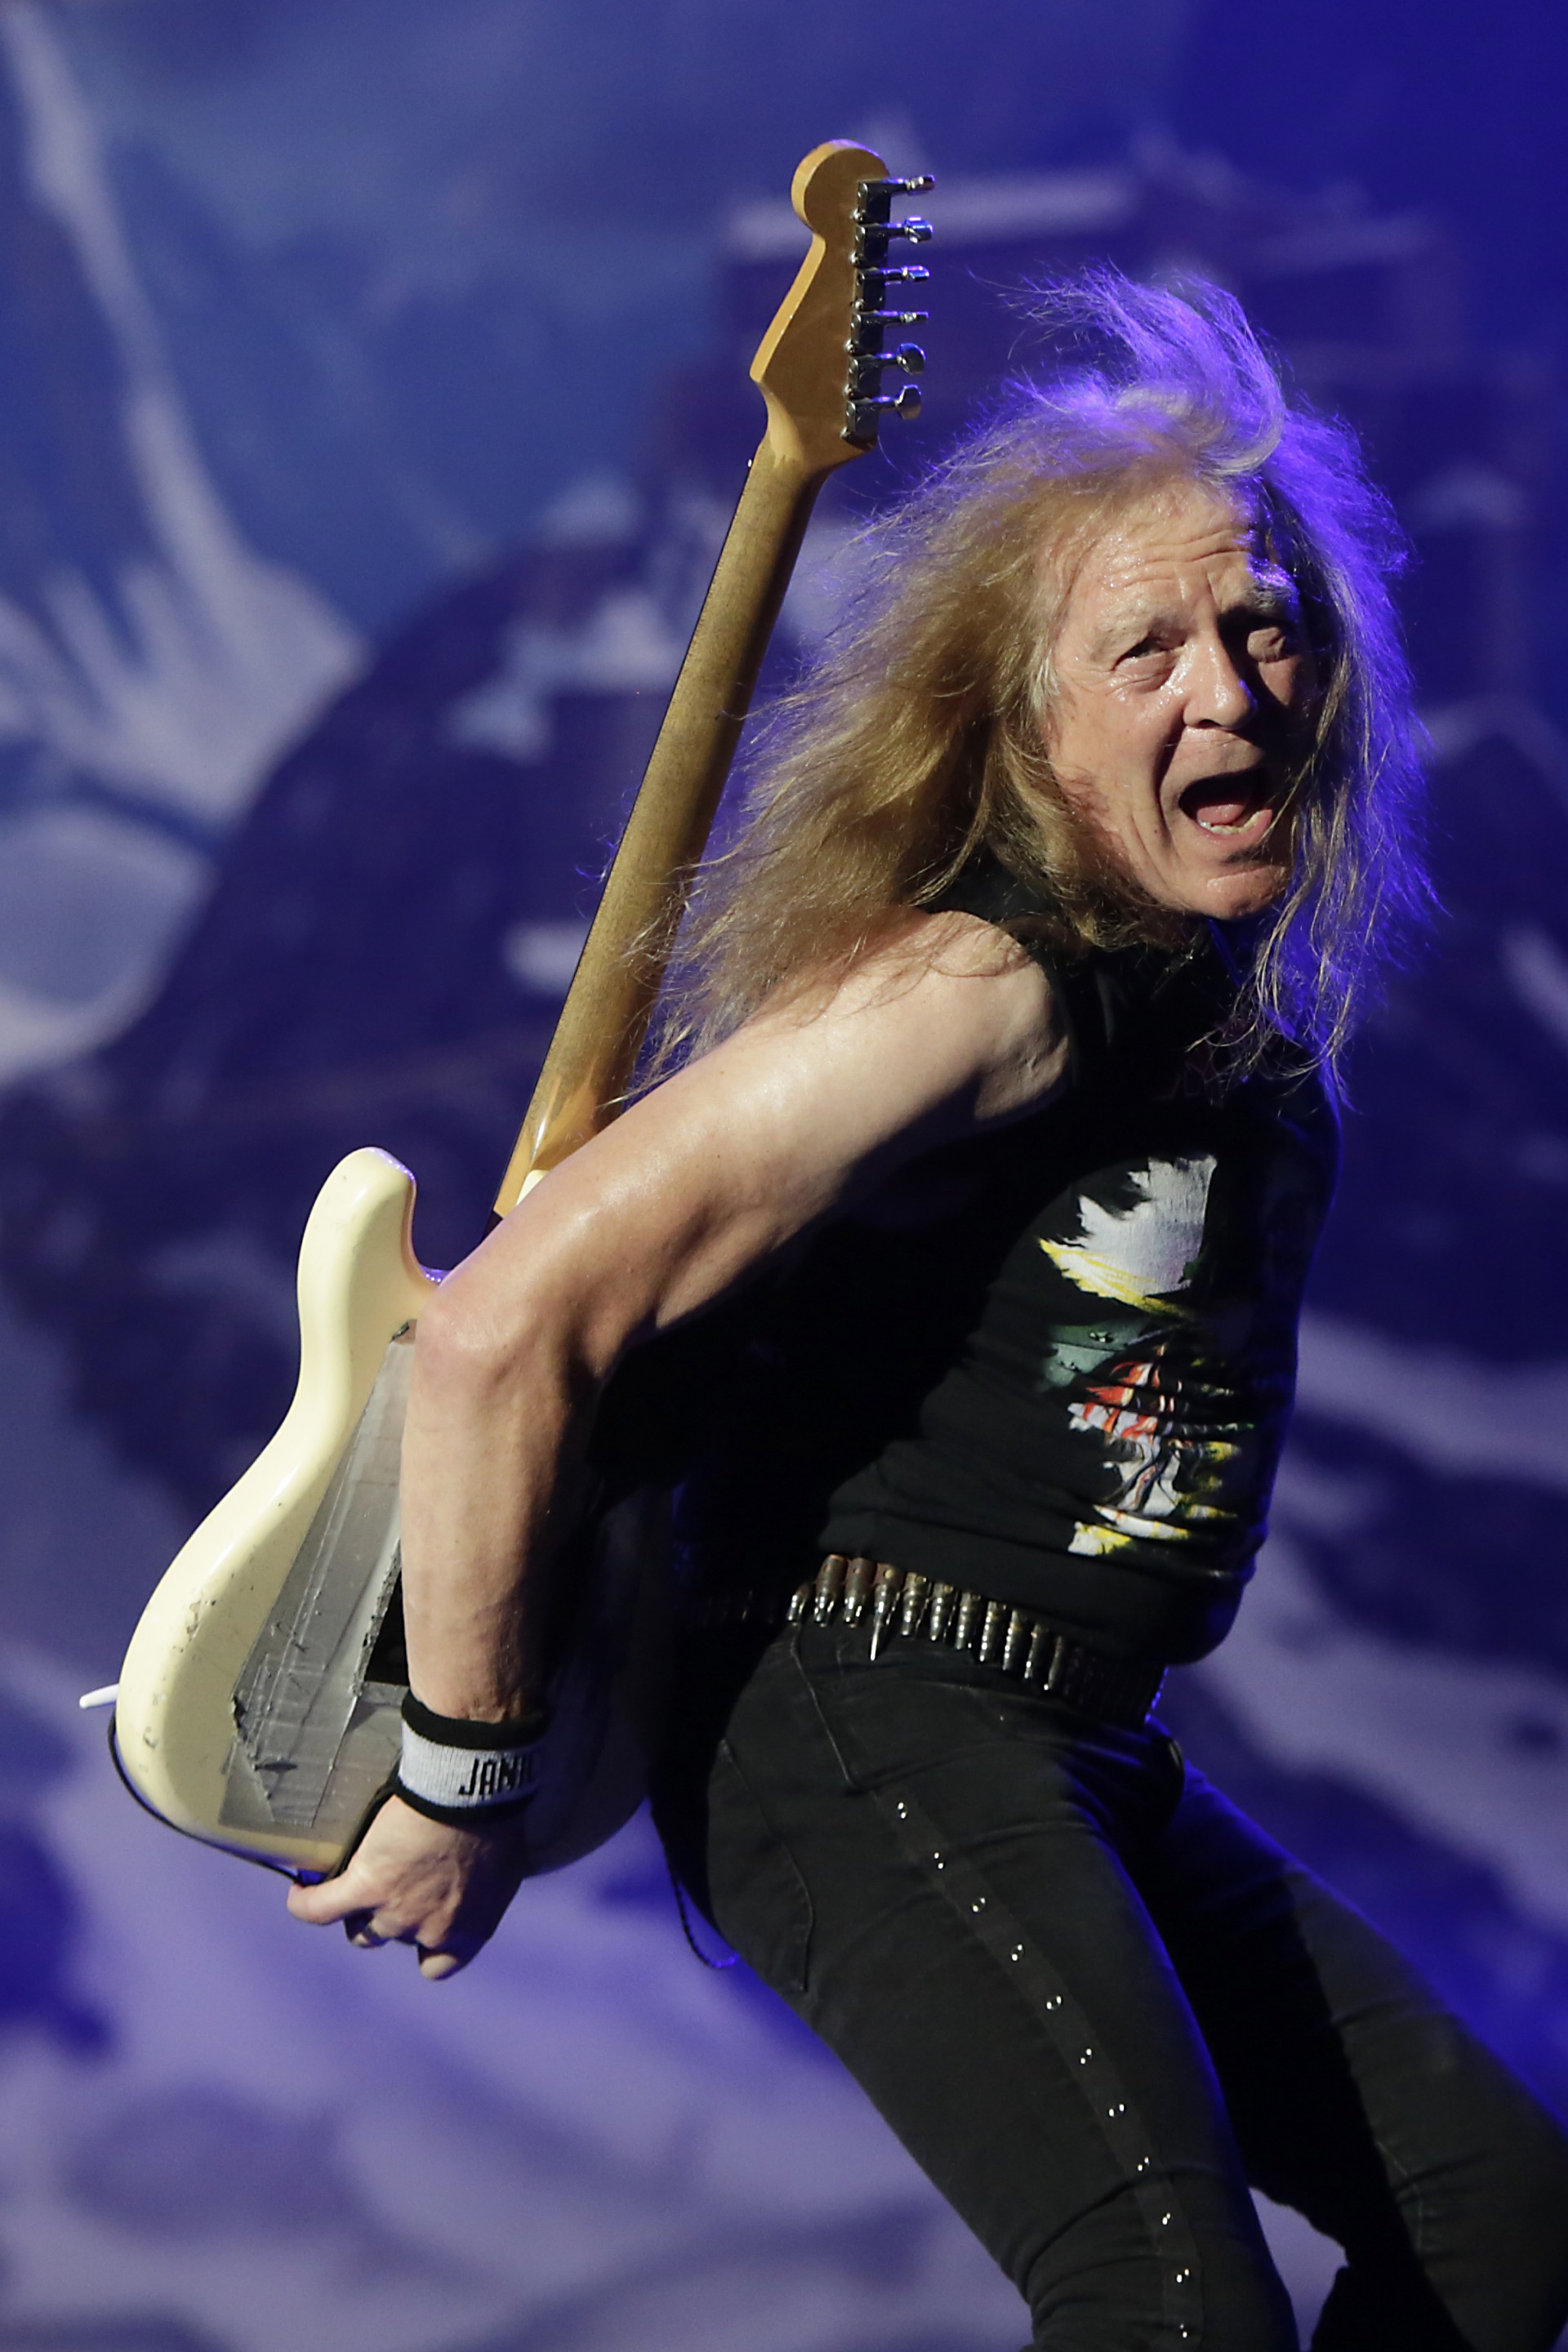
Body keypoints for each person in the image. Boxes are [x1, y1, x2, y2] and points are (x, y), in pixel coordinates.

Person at [288, 275, 1568, 2349]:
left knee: (1493, 2218)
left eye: (1260, 623)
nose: (1226, 688)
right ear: (1034, 732)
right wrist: (462, 1777)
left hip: (1068, 1738)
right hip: (861, 1722)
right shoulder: (985, 983)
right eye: (1143, 648)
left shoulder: (1213, 1002)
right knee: (1174, 2308)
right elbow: (509, 1328)